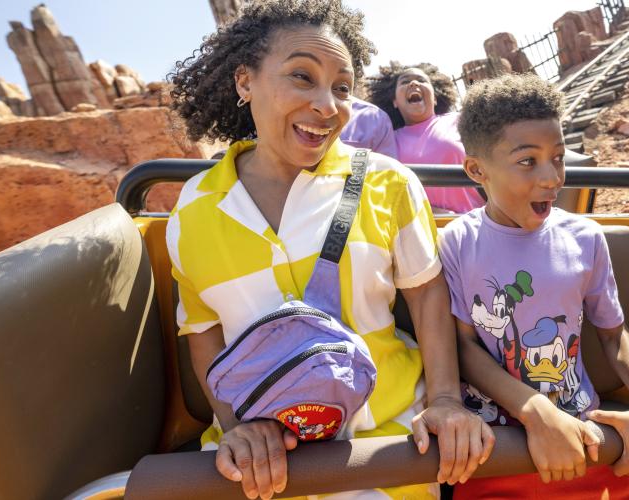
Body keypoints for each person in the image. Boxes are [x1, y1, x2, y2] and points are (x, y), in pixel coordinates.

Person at [167, 2, 493, 499]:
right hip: (261, 464)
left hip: (385, 446)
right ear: (244, 82)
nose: (328, 105)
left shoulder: (388, 183)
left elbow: (427, 296)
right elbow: (203, 330)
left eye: (342, 88)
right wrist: (237, 428)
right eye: (303, 76)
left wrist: (446, 401)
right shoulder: (193, 209)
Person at [439, 74, 629, 498]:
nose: (551, 178)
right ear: (477, 170)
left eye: (559, 158)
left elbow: (614, 337)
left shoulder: (585, 239)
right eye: (528, 161)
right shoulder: (457, 243)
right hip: (493, 448)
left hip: (582, 437)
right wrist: (534, 412)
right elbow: (462, 347)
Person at [367, 62, 484, 213]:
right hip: (420, 229)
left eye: (421, 80)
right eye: (405, 81)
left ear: (435, 98)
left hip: (474, 223)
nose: (414, 83)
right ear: (395, 102)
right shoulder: (386, 139)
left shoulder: (460, 121)